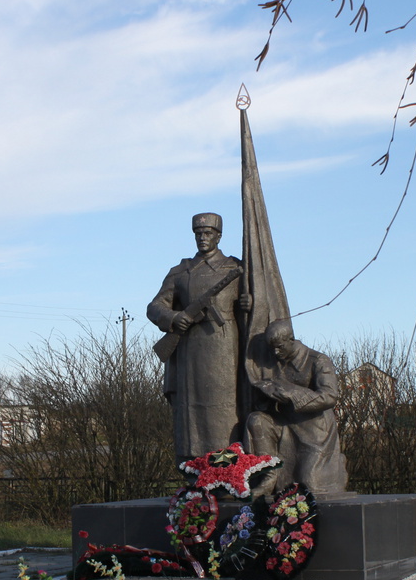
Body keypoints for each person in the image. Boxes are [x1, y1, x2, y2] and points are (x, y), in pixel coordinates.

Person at [147, 212, 250, 463]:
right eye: (198, 234)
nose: (202, 238)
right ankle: (197, 467)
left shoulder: (235, 268)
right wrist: (174, 317)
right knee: (193, 412)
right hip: (191, 351)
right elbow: (154, 306)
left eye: (208, 233)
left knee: (227, 407)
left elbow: (255, 306)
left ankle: (229, 467)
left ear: (219, 236)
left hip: (226, 348)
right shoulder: (181, 271)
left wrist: (249, 304)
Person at [246, 319, 350, 496]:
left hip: (315, 431)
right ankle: (269, 476)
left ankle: (337, 466)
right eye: (272, 348)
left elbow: (330, 396)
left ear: (291, 339)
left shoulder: (318, 360)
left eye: (279, 347)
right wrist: (267, 395)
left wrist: (293, 394)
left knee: (309, 486)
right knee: (256, 420)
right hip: (285, 424)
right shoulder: (272, 362)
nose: (275, 352)